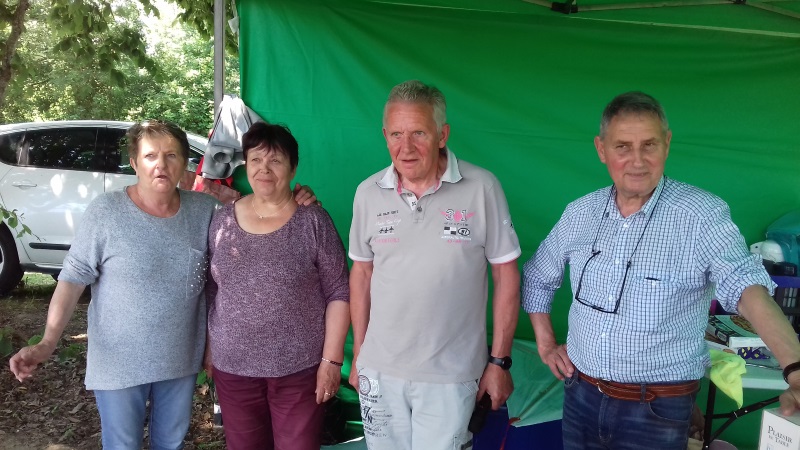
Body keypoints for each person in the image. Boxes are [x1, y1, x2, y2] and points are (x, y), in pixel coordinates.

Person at [9, 120, 316, 449]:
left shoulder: (205, 211)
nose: (161, 164)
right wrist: (48, 341)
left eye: (171, 155)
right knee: (123, 445)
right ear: (134, 163)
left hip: (179, 359)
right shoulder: (106, 212)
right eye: (150, 155)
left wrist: (296, 201)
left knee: (171, 444)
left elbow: (256, 215)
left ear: (185, 164)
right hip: (119, 362)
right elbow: (72, 280)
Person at [521, 91, 800, 450]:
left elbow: (745, 286)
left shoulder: (701, 215)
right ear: (601, 149)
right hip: (581, 396)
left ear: (666, 144)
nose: (637, 161)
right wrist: (546, 344)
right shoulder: (580, 213)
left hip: (657, 408)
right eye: (623, 147)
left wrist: (794, 369)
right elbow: (538, 277)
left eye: (649, 145)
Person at [348, 80, 521, 450]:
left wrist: (499, 362)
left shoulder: (482, 187)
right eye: (396, 134)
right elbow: (361, 274)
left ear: (442, 135)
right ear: (385, 135)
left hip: (452, 376)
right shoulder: (367, 193)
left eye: (419, 133)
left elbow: (506, 274)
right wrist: (360, 354)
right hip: (380, 372)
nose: (406, 147)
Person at [203, 122, 350, 450]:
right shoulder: (222, 220)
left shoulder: (313, 221)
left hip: (299, 370)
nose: (264, 169)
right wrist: (210, 348)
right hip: (234, 368)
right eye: (255, 160)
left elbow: (339, 291)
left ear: (293, 168)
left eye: (275, 161)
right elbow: (213, 289)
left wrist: (331, 362)